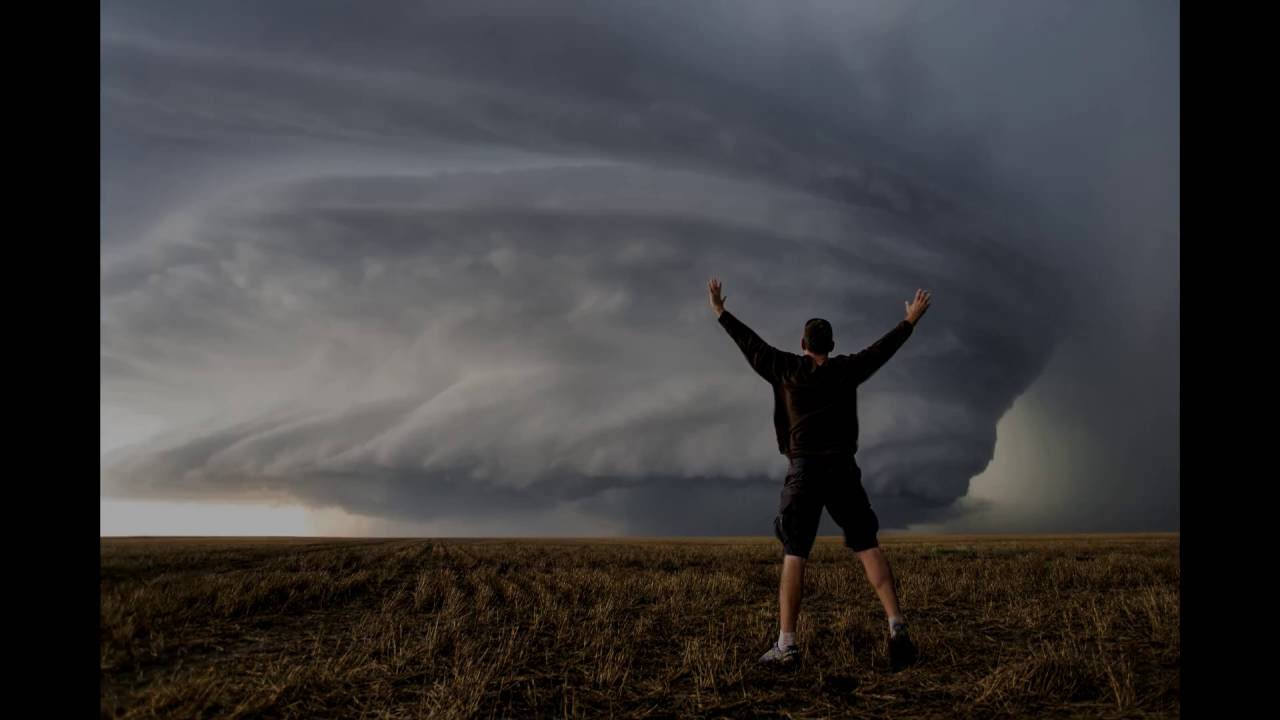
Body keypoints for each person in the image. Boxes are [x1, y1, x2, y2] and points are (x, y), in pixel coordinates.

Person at [707, 277, 932, 670]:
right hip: (843, 468)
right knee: (868, 546)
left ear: (803, 345)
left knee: (795, 553)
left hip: (805, 470)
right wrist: (910, 320)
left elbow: (751, 343)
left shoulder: (786, 368)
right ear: (832, 345)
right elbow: (881, 350)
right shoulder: (847, 369)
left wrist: (721, 312)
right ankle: (897, 626)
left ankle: (787, 645)